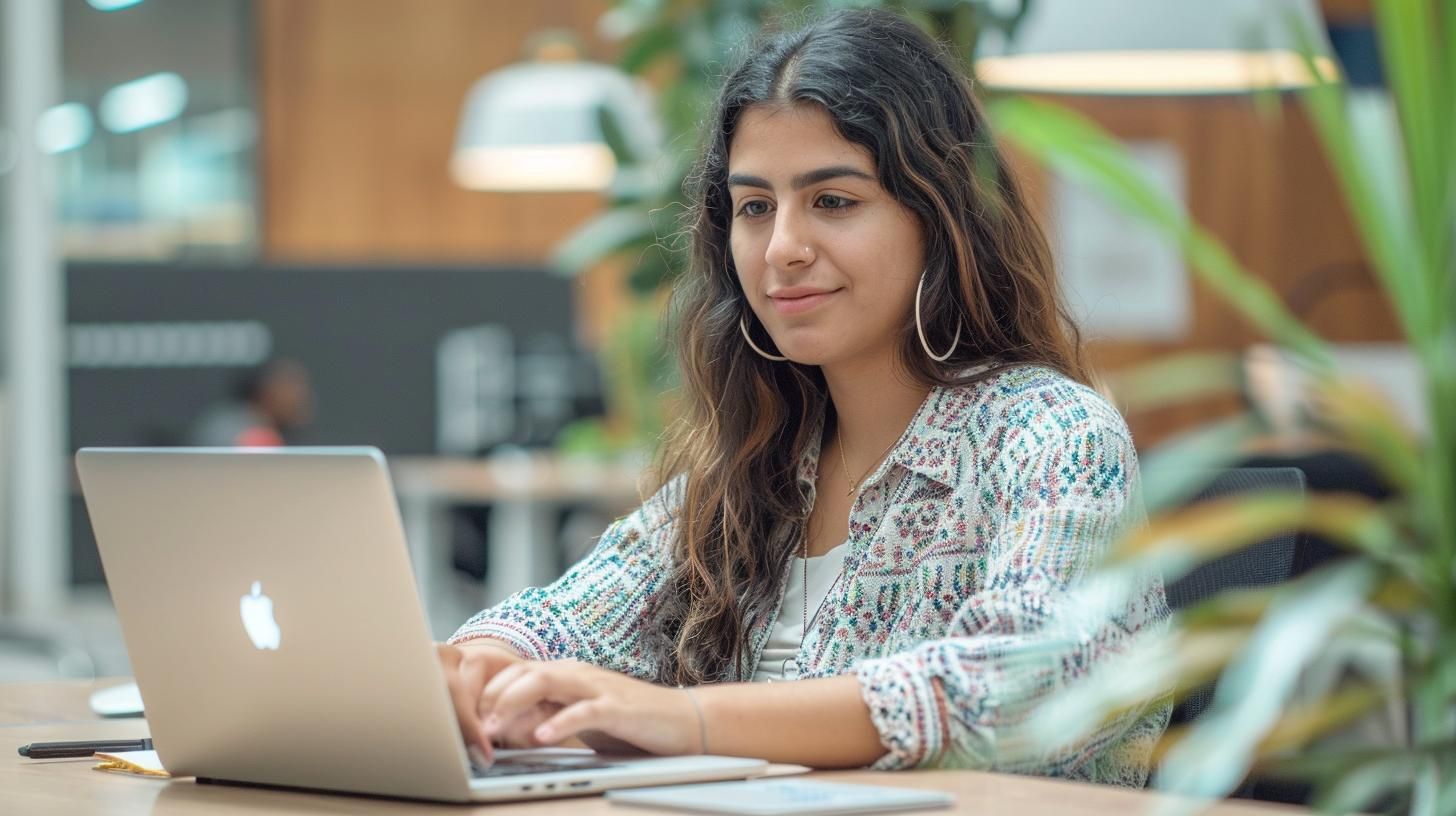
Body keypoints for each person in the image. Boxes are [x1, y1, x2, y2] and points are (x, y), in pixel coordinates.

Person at [437, 9, 1169, 785]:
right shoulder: (754, 467)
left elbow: (1019, 680)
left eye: (833, 201)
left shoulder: (1054, 434)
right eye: (756, 207)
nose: (783, 246)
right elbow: (564, 620)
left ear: (942, 217)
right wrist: (482, 666)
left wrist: (688, 722)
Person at [189, 358, 314, 447]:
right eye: (290, 385)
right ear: (266, 392)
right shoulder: (235, 430)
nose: (300, 395)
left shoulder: (273, 431)